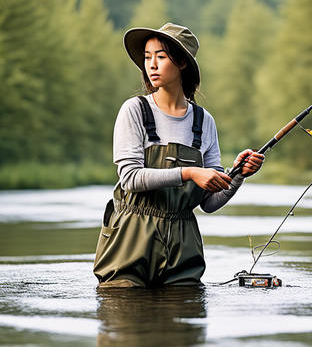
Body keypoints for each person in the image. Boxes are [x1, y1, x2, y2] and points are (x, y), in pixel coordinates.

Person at [93, 22, 264, 288]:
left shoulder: (204, 121)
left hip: (183, 246)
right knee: (125, 317)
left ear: (182, 62)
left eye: (160, 56)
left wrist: (238, 176)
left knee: (184, 321)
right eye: (147, 57)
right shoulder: (134, 110)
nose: (151, 64)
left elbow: (209, 203)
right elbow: (130, 178)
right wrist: (189, 172)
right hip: (130, 238)